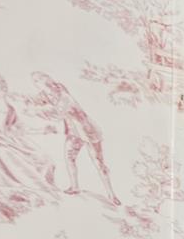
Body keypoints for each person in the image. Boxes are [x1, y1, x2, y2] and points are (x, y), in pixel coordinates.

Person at [28, 75, 118, 206]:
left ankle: (111, 194)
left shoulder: (63, 96)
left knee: (98, 163)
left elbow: (57, 114)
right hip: (74, 132)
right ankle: (74, 187)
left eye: (38, 82)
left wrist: (38, 110)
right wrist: (30, 103)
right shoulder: (47, 94)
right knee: (69, 158)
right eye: (35, 83)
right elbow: (36, 101)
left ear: (47, 83)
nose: (37, 86)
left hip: (88, 131)